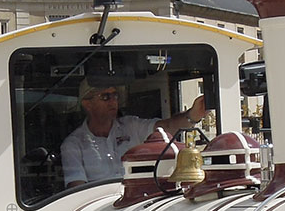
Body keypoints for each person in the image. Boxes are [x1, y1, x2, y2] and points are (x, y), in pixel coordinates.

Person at [60, 80, 210, 188]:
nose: (113, 101)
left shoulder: (131, 125)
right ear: (87, 104)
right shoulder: (73, 144)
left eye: (115, 96)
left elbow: (167, 128)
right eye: (105, 97)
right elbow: (77, 189)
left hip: (138, 201)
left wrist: (194, 115)